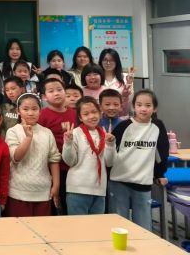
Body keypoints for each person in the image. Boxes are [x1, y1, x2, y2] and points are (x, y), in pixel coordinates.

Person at [108, 89, 169, 230]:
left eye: (148, 105)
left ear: (154, 108)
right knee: (119, 225)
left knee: (144, 226)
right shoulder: (123, 126)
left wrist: (160, 174)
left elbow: (162, 153)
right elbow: (110, 152)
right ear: (133, 107)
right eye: (139, 105)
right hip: (119, 181)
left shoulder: (158, 126)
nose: (143, 109)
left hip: (143, 182)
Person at [5, 93, 60, 217]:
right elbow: (16, 157)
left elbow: (54, 160)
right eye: (25, 109)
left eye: (34, 109)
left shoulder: (47, 133)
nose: (30, 113)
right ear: (18, 111)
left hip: (43, 191)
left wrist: (56, 185)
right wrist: (28, 138)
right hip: (18, 191)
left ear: (40, 111)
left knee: (42, 227)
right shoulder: (13, 131)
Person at [62, 96, 115, 215]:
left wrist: (110, 144)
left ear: (100, 113)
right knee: (78, 225)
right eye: (86, 114)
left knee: (95, 225)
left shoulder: (105, 134)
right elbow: (70, 161)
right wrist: (68, 142)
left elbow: (110, 162)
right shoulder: (75, 133)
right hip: (77, 189)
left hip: (99, 190)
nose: (91, 116)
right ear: (80, 117)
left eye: (94, 112)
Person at [38, 78, 77, 213]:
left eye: (59, 90)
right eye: (51, 91)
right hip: (52, 168)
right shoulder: (42, 115)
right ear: (44, 97)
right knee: (53, 205)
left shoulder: (74, 113)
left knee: (68, 205)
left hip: (72, 167)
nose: (56, 93)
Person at [98, 48, 134, 118]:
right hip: (100, 119)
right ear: (101, 61)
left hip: (121, 117)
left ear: (117, 62)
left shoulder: (126, 77)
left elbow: (130, 102)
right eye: (105, 60)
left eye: (111, 60)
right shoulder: (97, 78)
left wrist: (129, 84)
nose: (108, 63)